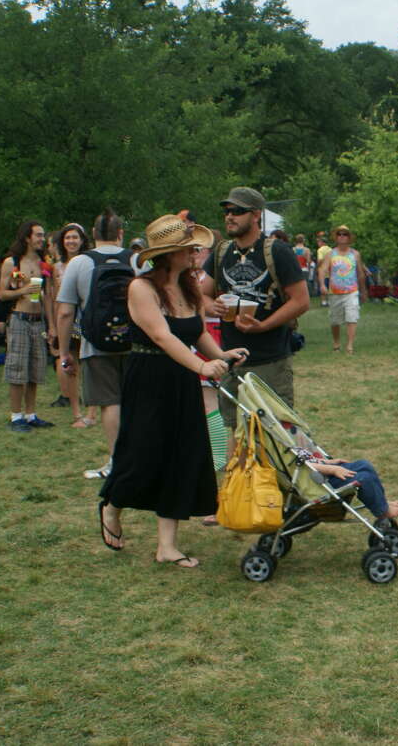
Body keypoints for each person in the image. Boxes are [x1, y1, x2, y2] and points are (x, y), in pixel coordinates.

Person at [98, 214, 249, 566]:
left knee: (181, 456)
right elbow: (161, 336)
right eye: (188, 248)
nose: (196, 252)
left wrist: (220, 355)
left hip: (181, 378)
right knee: (142, 452)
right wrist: (201, 366)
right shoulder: (141, 288)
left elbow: (194, 332)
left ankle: (167, 546)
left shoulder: (188, 286)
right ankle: (112, 505)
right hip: (149, 377)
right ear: (168, 253)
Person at [201, 187, 310, 434]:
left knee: (275, 428)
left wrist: (264, 324)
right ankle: (235, 474)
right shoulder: (221, 252)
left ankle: (274, 474)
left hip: (269, 358)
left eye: (238, 211)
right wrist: (213, 306)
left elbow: (301, 301)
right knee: (233, 427)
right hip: (231, 359)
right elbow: (202, 294)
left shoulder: (277, 251)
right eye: (227, 211)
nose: (230, 216)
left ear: (255, 215)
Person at [57, 211, 131, 479]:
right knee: (136, 401)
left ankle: (116, 462)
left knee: (110, 402)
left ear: (94, 234)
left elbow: (65, 312)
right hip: (135, 343)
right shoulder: (136, 260)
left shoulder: (79, 263)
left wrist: (64, 351)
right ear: (120, 233)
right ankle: (140, 457)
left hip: (96, 346)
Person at [0, 220, 55, 433]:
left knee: (35, 369)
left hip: (38, 320)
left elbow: (48, 297)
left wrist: (52, 326)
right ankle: (15, 417)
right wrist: (22, 291)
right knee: (17, 368)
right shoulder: (11, 262)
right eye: (38, 235)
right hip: (19, 318)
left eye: (43, 235)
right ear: (27, 238)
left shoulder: (44, 263)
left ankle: (31, 415)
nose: (42, 239)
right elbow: (2, 294)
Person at [49, 223, 91, 426]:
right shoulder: (55, 267)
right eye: (67, 238)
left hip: (87, 319)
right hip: (66, 320)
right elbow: (51, 297)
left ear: (82, 240)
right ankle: (76, 411)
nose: (71, 241)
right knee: (68, 364)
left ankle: (91, 411)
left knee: (91, 364)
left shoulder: (90, 263)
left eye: (75, 237)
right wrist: (52, 325)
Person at [316, 224, 367, 355]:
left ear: (349, 237)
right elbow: (322, 269)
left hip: (352, 291)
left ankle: (350, 345)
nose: (342, 236)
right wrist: (322, 284)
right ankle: (337, 343)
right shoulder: (330, 254)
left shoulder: (355, 254)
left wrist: (363, 291)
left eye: (345, 234)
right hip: (335, 292)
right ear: (336, 237)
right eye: (339, 234)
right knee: (335, 320)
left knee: (352, 317)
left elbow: (360, 273)